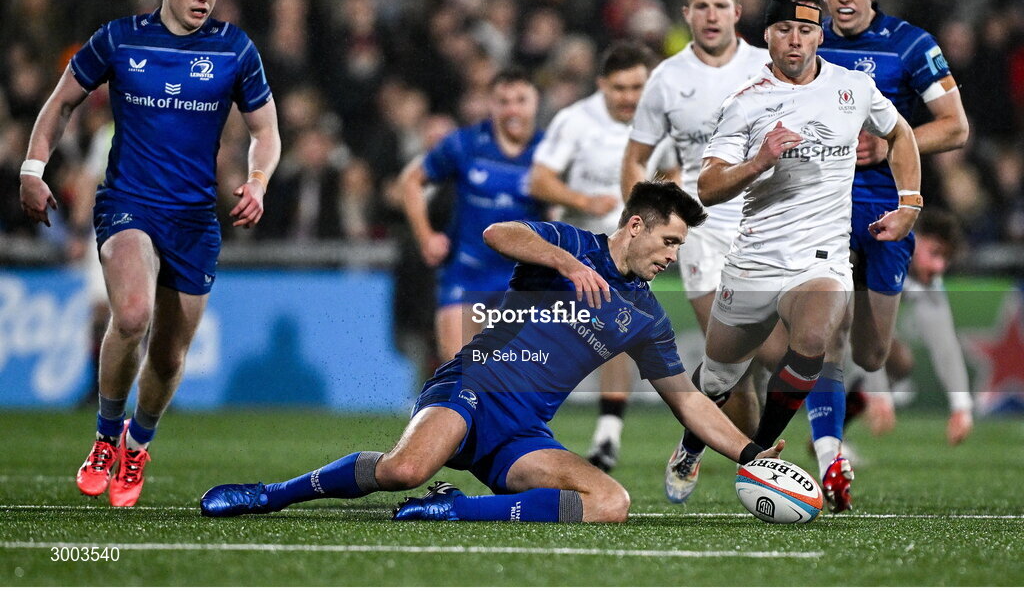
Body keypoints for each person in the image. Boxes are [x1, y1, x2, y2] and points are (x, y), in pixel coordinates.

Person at [200, 181, 783, 523]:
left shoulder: (647, 316)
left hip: (521, 430)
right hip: (472, 387)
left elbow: (689, 404)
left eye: (680, 247)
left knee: (610, 501)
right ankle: (271, 495)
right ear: (635, 226)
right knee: (405, 469)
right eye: (669, 241)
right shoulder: (570, 242)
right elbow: (497, 234)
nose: (672, 257)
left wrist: (753, 453)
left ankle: (454, 508)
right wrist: (567, 263)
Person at [19, 0, 281, 507]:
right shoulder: (118, 38)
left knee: (168, 354)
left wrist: (257, 182)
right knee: (132, 315)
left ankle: (138, 443)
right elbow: (61, 101)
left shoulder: (235, 49)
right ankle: (105, 438)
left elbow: (266, 131)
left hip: (193, 218)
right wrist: (33, 168)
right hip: (128, 203)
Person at [665, 0, 921, 507]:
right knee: (718, 377)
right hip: (756, 259)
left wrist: (910, 204)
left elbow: (902, 134)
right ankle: (691, 445)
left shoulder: (853, 87)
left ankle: (760, 455)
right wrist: (758, 162)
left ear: (819, 36)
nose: (795, 41)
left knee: (815, 337)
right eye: (785, 30)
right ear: (768, 36)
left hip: (821, 258)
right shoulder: (745, 103)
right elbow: (709, 187)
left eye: (806, 31)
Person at [802, 0, 969, 512]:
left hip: (890, 211)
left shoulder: (910, 45)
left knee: (870, 355)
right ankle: (829, 457)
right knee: (825, 334)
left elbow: (954, 126)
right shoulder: (806, 44)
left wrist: (889, 141)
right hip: (821, 208)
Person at [619, 0, 775, 500]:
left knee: (766, 356)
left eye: (720, 6)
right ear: (686, 14)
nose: (711, 16)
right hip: (702, 233)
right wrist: (636, 226)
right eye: (700, 7)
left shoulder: (769, 66)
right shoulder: (666, 78)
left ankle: (693, 440)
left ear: (738, 10)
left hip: (766, 226)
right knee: (738, 358)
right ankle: (759, 472)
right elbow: (636, 158)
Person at [528, 41, 656, 472]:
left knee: (616, 337)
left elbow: (675, 173)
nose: (629, 97)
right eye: (619, 88)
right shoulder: (575, 120)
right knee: (545, 343)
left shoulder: (659, 122)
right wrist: (582, 198)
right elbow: (540, 180)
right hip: (575, 250)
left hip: (624, 258)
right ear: (602, 84)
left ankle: (606, 437)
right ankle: (521, 426)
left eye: (637, 86)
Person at [399, 67, 547, 362]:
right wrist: (426, 237)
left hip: (520, 279)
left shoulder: (550, 152)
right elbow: (411, 181)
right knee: (458, 374)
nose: (513, 109)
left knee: (512, 384)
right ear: (491, 106)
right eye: (503, 102)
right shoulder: (464, 144)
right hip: (467, 273)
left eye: (521, 100)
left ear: (536, 102)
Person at [853, 209, 974, 445]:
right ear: (914, 237)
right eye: (935, 252)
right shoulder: (880, 251)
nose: (939, 266)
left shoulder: (925, 280)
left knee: (897, 362)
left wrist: (961, 406)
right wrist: (878, 393)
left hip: (851, 329)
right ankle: (826, 435)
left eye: (946, 259)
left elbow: (945, 346)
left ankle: (833, 436)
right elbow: (863, 327)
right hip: (823, 313)